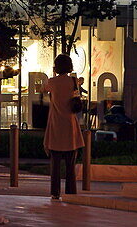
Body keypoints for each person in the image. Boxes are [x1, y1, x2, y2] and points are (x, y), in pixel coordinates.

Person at [43, 54, 86, 200]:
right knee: (70, 164)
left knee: (55, 164)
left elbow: (43, 89)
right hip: (70, 126)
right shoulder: (73, 81)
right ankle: (70, 192)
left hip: (56, 125)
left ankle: (55, 193)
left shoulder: (52, 82)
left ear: (56, 66)